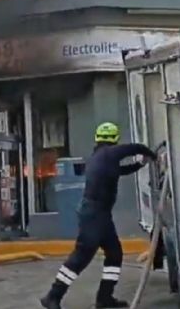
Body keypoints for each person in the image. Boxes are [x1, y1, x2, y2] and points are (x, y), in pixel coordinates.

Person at [40, 122, 157, 309]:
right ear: (114, 139)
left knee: (114, 254)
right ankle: (52, 296)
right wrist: (152, 154)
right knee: (81, 257)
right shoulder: (110, 153)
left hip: (99, 215)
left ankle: (105, 298)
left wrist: (139, 164)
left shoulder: (99, 157)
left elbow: (120, 171)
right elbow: (134, 148)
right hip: (95, 215)